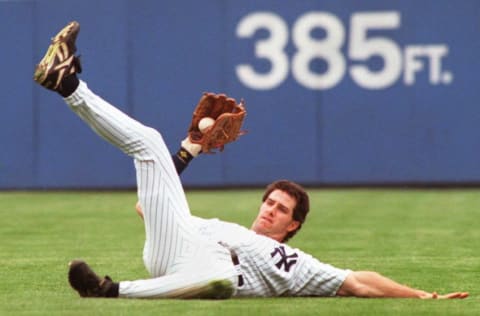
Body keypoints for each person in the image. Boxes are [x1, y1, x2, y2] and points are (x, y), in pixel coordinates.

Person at [33, 21, 468, 300]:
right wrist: (189, 150)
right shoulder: (219, 227)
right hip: (178, 249)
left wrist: (420, 297)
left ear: (292, 226)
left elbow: (357, 281)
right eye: (269, 201)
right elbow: (148, 206)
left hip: (207, 275)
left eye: (281, 209)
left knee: (220, 277)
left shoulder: (296, 266)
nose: (270, 209)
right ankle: (69, 83)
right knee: (149, 142)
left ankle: (109, 291)